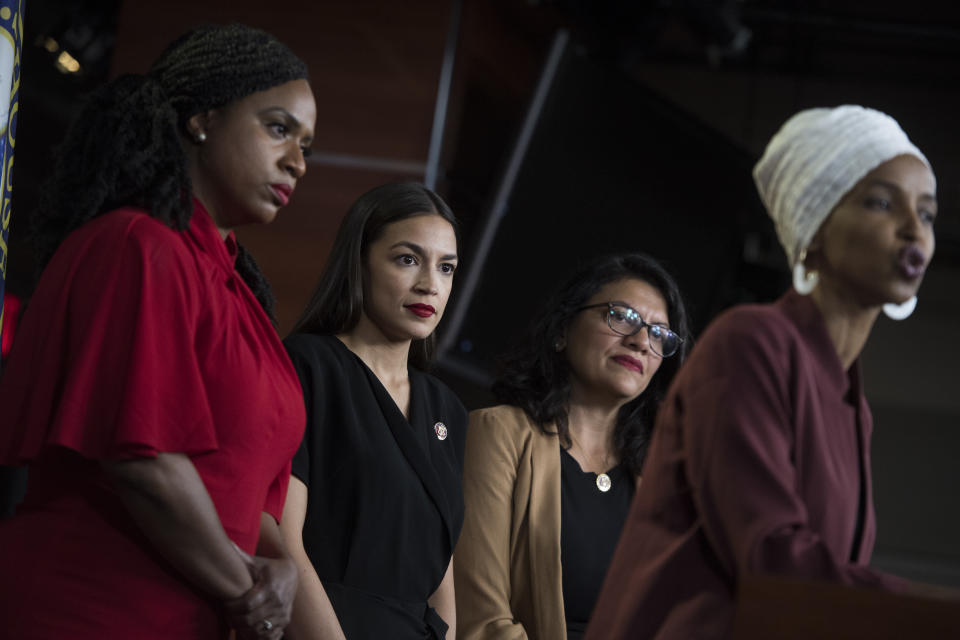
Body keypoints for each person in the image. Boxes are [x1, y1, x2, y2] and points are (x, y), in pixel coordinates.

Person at [0, 24, 317, 640]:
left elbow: (247, 492)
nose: (298, 162)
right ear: (202, 118)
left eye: (307, 144)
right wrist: (250, 589)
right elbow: (143, 462)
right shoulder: (138, 245)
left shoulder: (238, 291)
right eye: (279, 128)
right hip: (91, 608)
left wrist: (282, 570)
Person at [584, 105, 939, 640]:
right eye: (882, 203)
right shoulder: (749, 344)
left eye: (928, 214)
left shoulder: (852, 404)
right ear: (814, 226)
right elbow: (772, 557)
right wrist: (931, 611)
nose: (914, 231)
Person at [454, 252, 691, 640]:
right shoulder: (496, 434)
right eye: (622, 316)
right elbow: (481, 619)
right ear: (563, 329)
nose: (640, 342)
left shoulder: (660, 481)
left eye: (659, 334)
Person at [279, 182, 467, 640]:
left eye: (446, 268)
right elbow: (284, 542)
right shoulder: (309, 365)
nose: (430, 284)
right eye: (407, 259)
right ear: (360, 262)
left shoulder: (447, 407)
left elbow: (439, 568)